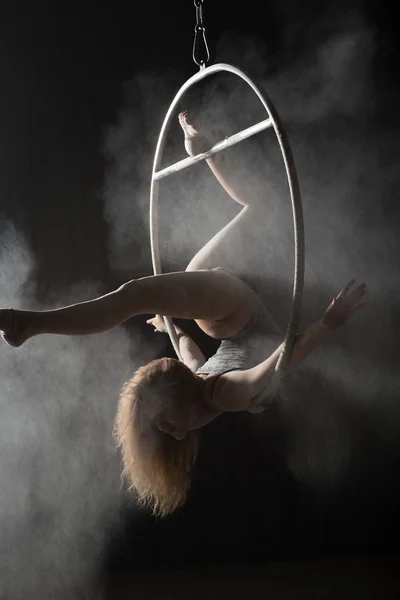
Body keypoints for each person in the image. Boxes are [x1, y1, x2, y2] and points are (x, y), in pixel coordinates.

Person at [0, 112, 367, 517]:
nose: (166, 431)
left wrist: (169, 326)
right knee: (141, 292)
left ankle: (27, 323)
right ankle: (203, 148)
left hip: (230, 309)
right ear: (176, 396)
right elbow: (280, 363)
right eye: (162, 424)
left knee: (137, 296)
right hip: (233, 310)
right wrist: (328, 323)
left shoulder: (202, 386)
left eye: (159, 424)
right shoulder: (224, 395)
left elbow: (188, 350)